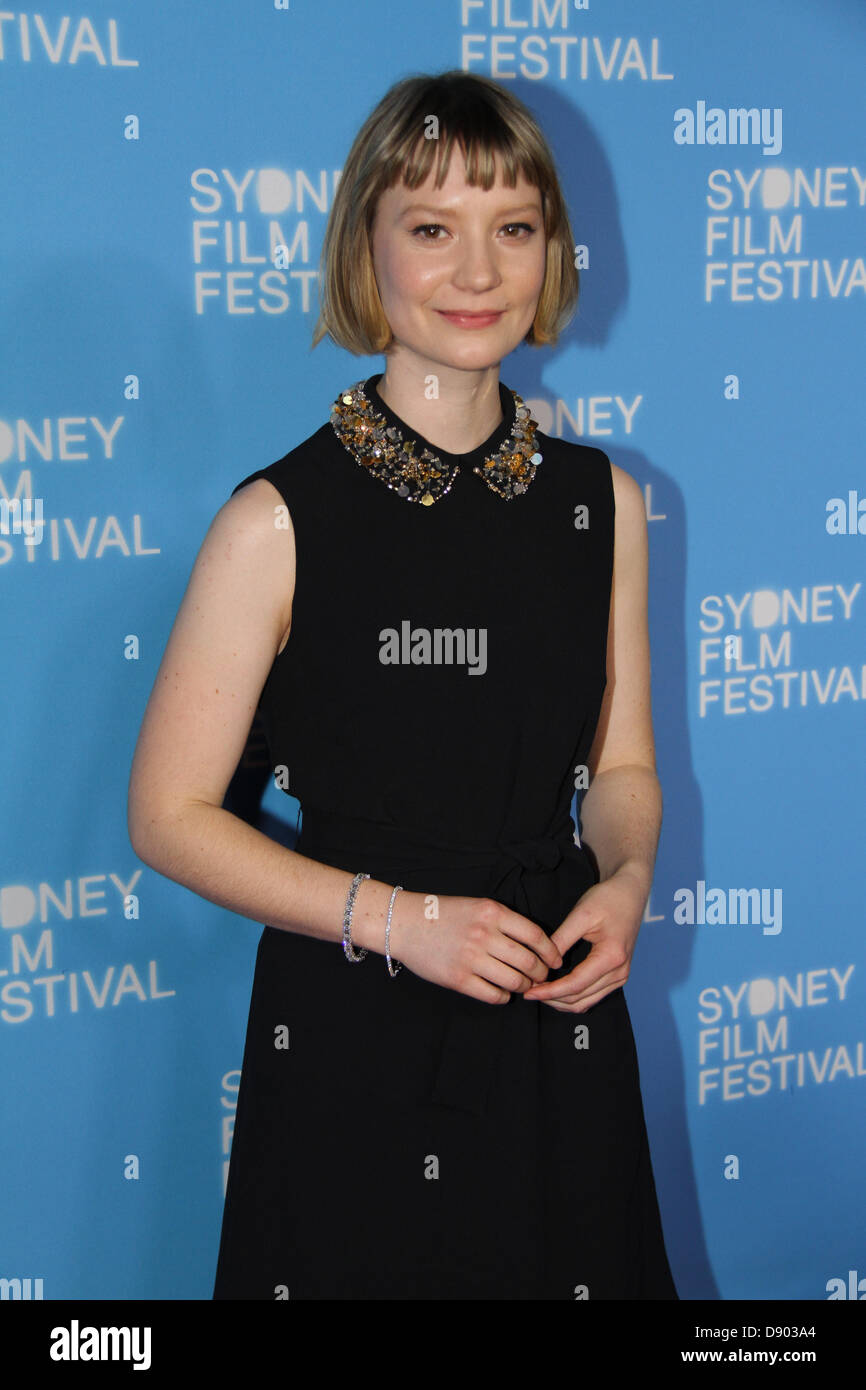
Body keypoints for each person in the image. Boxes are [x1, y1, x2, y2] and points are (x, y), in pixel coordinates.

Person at [127, 68, 678, 1301]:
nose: (477, 272)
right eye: (431, 228)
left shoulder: (604, 505)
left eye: (512, 227)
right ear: (364, 249)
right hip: (354, 1025)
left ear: (552, 251)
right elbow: (165, 817)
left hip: (551, 1014)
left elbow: (624, 769)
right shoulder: (275, 521)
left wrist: (628, 880)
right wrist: (402, 923)